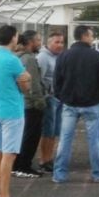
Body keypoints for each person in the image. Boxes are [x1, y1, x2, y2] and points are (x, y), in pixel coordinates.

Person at [52, 25, 99, 184]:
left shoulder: (64, 56)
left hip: (69, 104)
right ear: (85, 36)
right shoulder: (96, 57)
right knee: (95, 140)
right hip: (92, 104)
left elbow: (57, 81)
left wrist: (62, 97)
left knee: (65, 139)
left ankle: (60, 174)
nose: (92, 39)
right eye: (91, 36)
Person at [0, 25, 31, 197]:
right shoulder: (12, 60)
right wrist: (27, 78)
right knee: (9, 155)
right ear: (13, 38)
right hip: (11, 112)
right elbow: (25, 85)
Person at [13, 30, 46, 178]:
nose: (40, 43)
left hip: (21, 103)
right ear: (30, 42)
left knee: (23, 135)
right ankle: (24, 166)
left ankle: (18, 164)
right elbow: (34, 84)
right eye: (38, 40)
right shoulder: (29, 59)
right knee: (31, 136)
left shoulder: (16, 57)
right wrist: (40, 101)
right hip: (31, 104)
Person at [37, 31, 64, 173]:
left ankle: (49, 158)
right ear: (49, 43)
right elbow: (39, 79)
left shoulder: (58, 57)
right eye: (56, 42)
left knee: (54, 131)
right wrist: (46, 95)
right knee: (48, 131)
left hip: (59, 98)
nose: (60, 45)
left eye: (61, 42)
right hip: (49, 99)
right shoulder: (43, 57)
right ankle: (44, 159)